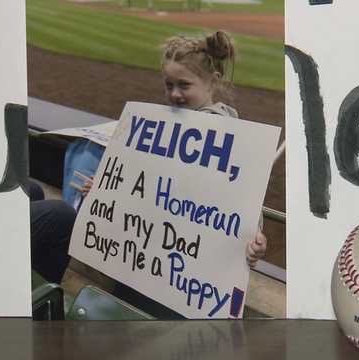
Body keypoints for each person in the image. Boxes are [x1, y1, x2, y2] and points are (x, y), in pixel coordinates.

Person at [80, 30, 268, 267]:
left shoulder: (230, 133)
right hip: (152, 255)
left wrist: (255, 237)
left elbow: (244, 197)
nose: (174, 93)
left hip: (193, 264)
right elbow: (141, 182)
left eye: (184, 85)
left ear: (214, 80)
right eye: (169, 85)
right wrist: (106, 192)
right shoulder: (163, 126)